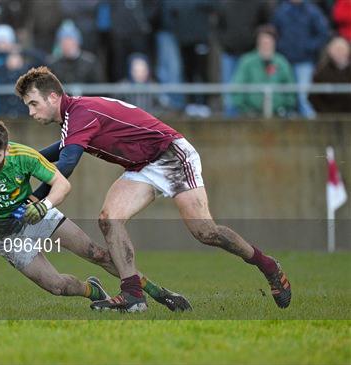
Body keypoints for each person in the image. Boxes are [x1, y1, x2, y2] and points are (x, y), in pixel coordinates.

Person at [15, 66, 292, 312]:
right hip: (142, 166)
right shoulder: (74, 116)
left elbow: (67, 163)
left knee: (205, 232)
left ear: (53, 97)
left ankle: (268, 266)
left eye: (33, 104)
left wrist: (36, 199)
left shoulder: (80, 114)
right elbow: (61, 150)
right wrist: (22, 162)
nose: (31, 112)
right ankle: (132, 295)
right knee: (109, 220)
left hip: (171, 156)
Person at [0, 118, 191, 312]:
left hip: (35, 215)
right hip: (3, 237)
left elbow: (62, 184)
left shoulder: (24, 156)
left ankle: (158, 293)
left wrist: (43, 206)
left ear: (7, 150)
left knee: (96, 253)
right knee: (57, 287)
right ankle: (93, 290)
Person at [271, 0, 331, 118]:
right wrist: (281, 47)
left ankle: (311, 126)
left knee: (304, 97)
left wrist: (308, 47)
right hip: (285, 62)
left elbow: (323, 33)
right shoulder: (281, 11)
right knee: (286, 96)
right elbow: (273, 32)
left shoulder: (312, 11)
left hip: (305, 62)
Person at [232, 25, 296, 117]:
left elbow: (291, 89)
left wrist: (285, 108)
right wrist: (245, 109)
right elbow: (237, 88)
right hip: (250, 116)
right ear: (258, 43)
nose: (266, 46)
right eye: (263, 43)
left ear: (274, 43)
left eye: (269, 42)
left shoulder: (282, 62)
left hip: (278, 115)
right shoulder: (247, 62)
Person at [309, 37, 351, 113]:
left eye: (342, 49)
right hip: (328, 117)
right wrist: (325, 113)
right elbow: (313, 97)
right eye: (336, 50)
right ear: (330, 51)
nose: (339, 52)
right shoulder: (321, 71)